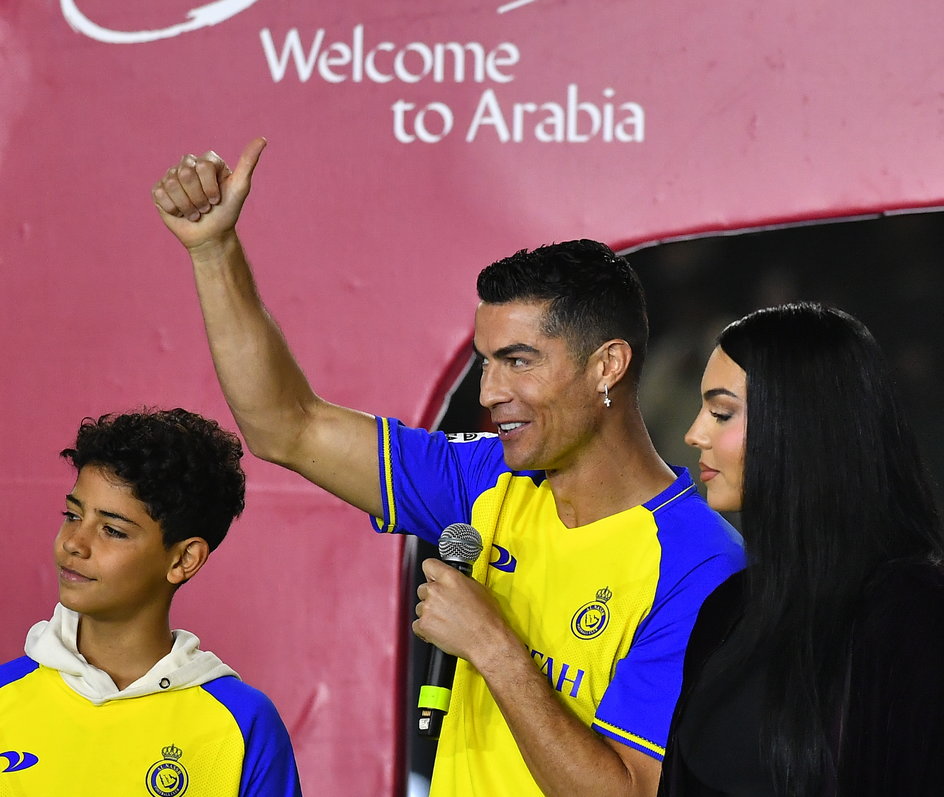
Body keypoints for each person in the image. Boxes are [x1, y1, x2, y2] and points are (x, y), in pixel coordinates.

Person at [151, 139, 745, 797]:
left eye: (518, 361)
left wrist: (495, 650)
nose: (491, 392)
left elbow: (629, 792)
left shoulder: (702, 562)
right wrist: (213, 251)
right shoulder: (481, 478)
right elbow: (286, 424)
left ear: (606, 365)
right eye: (486, 362)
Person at [663, 301, 944, 796]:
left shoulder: (911, 614)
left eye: (722, 412)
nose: (694, 434)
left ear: (801, 423)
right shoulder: (725, 609)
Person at [0, 409, 303, 797]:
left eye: (112, 530)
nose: (74, 543)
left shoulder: (243, 723)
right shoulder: (6, 697)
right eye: (72, 515)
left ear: (183, 559)